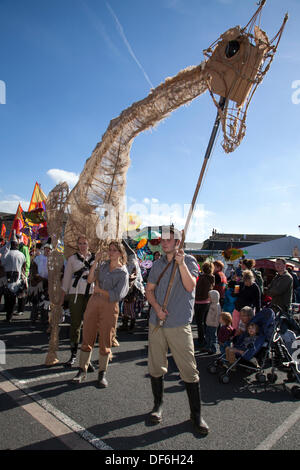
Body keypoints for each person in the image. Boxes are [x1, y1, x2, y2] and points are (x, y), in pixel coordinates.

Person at [145, 226, 209, 435]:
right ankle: (157, 406)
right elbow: (149, 290)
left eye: (169, 240)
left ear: (178, 243)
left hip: (179, 324)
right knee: (156, 367)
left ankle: (196, 415)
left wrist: (180, 264)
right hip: (157, 323)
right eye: (162, 240)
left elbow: (190, 286)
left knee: (189, 370)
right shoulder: (157, 264)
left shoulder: (189, 261)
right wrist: (157, 309)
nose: (164, 243)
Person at [72, 241, 129, 387]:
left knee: (105, 339)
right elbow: (90, 279)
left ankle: (102, 373)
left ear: (121, 253)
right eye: (110, 250)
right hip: (94, 303)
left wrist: (100, 291)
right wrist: (95, 261)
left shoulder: (123, 272)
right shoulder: (102, 266)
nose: (111, 253)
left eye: (115, 250)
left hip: (110, 306)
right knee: (87, 335)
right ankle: (81, 370)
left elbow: (118, 295)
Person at [60, 236, 95, 368]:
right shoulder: (72, 259)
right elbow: (67, 277)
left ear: (89, 244)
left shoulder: (96, 258)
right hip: (76, 293)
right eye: (79, 243)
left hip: (91, 293)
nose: (82, 246)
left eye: (84, 243)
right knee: (75, 324)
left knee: (89, 325)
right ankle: (73, 354)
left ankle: (87, 357)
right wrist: (63, 296)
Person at [1, 231, 26, 322]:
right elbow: (24, 266)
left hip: (7, 279)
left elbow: (2, 264)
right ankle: (10, 315)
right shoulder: (21, 255)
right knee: (13, 298)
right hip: (17, 278)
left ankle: (9, 316)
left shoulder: (6, 255)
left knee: (8, 299)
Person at [29, 243, 52, 325]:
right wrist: (39, 278)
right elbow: (33, 271)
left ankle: (44, 318)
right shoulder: (38, 259)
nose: (47, 251)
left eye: (49, 249)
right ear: (44, 249)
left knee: (45, 302)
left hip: (48, 284)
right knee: (35, 301)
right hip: (38, 284)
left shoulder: (52, 260)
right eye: (46, 249)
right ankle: (33, 318)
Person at [194, 261, 215, 349]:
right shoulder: (212, 278)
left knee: (199, 322)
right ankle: (207, 340)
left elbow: (197, 290)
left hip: (199, 301)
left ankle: (201, 340)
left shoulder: (201, 278)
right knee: (206, 322)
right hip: (207, 301)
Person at [204, 290, 221, 354]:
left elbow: (218, 316)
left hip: (213, 324)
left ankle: (214, 349)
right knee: (208, 336)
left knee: (213, 337)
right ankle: (208, 347)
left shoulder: (217, 306)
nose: (208, 298)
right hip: (209, 323)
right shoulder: (211, 304)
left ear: (214, 297)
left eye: (210, 297)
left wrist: (216, 324)